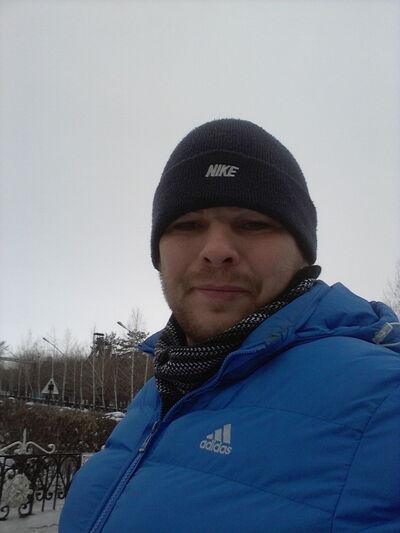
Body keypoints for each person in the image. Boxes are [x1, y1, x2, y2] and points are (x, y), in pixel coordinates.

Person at [60, 119, 400, 533]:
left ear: (303, 252)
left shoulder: (384, 405)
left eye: (253, 224)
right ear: (158, 252)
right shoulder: (162, 390)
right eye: (187, 225)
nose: (217, 250)